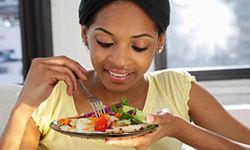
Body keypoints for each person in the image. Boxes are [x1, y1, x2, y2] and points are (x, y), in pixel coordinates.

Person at [0, 0, 250, 149]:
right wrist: (23, 106)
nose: (120, 61)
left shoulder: (177, 88)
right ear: (85, 34)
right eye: (106, 43)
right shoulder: (51, 97)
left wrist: (178, 128)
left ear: (160, 41)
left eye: (139, 47)